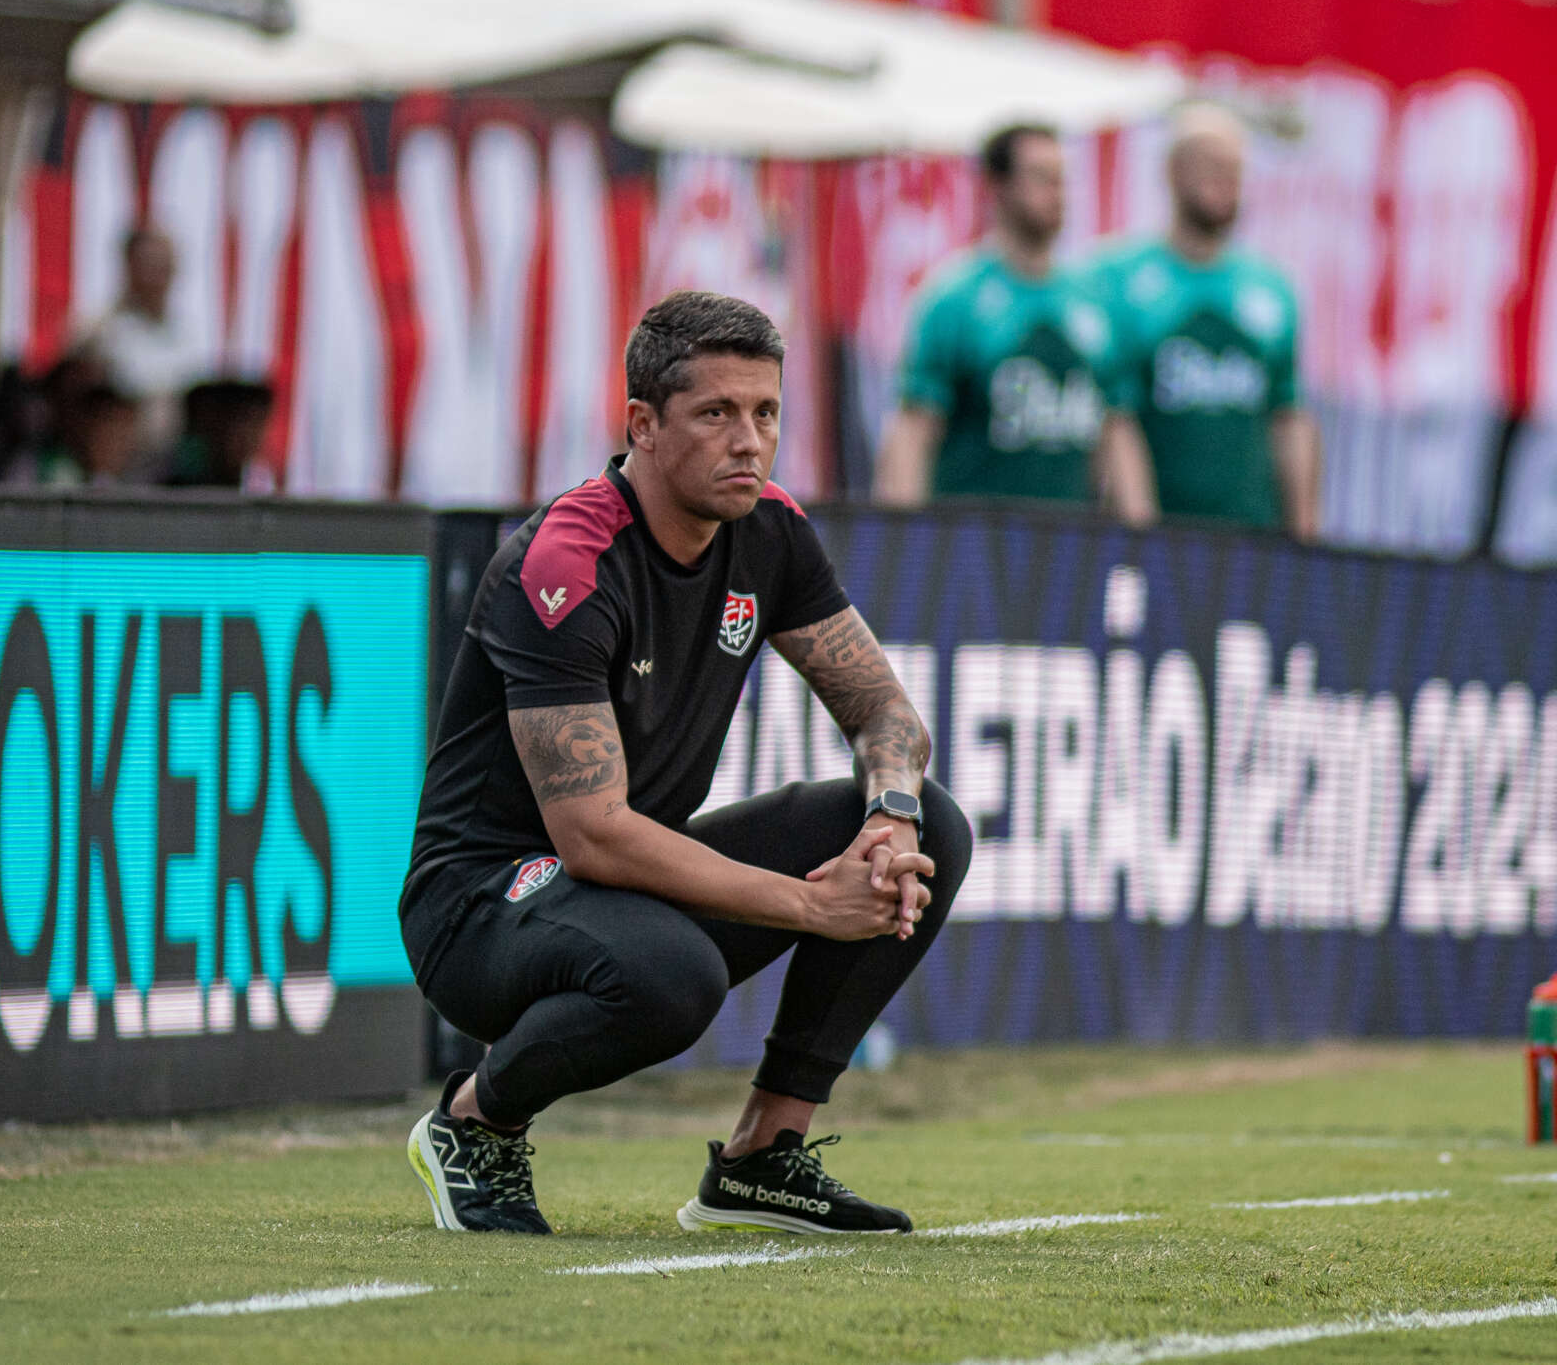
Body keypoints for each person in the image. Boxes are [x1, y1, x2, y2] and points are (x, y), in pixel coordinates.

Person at [401, 290, 971, 1236]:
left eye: (767, 413)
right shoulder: (565, 564)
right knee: (675, 976)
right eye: (717, 414)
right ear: (643, 425)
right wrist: (808, 904)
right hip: (481, 902)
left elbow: (885, 714)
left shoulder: (770, 529)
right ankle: (475, 1123)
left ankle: (762, 1158)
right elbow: (593, 837)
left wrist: (891, 817)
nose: (750, 441)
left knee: (930, 830)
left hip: (623, 879)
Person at [872, 123, 1155, 522]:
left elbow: (1118, 427)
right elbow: (915, 431)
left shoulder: (1095, 300)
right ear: (996, 186)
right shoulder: (955, 300)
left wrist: (1141, 536)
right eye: (1041, 178)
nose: (1058, 193)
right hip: (975, 547)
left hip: (1073, 546)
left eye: (1062, 179)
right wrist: (901, 542)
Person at [1096, 103, 1321, 539]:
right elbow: (1115, 417)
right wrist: (1141, 528)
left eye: (1236, 171)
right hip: (1160, 532)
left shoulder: (1270, 288)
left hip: (1252, 534)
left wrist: (1304, 532)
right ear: (1174, 172)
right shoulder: (1119, 280)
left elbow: (1288, 415)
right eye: (1212, 167)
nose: (1227, 183)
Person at [84, 225, 206, 457]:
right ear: (129, 267)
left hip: (175, 460)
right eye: (149, 265)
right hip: (123, 458)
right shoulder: (100, 331)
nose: (158, 275)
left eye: (165, 265)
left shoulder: (187, 332)